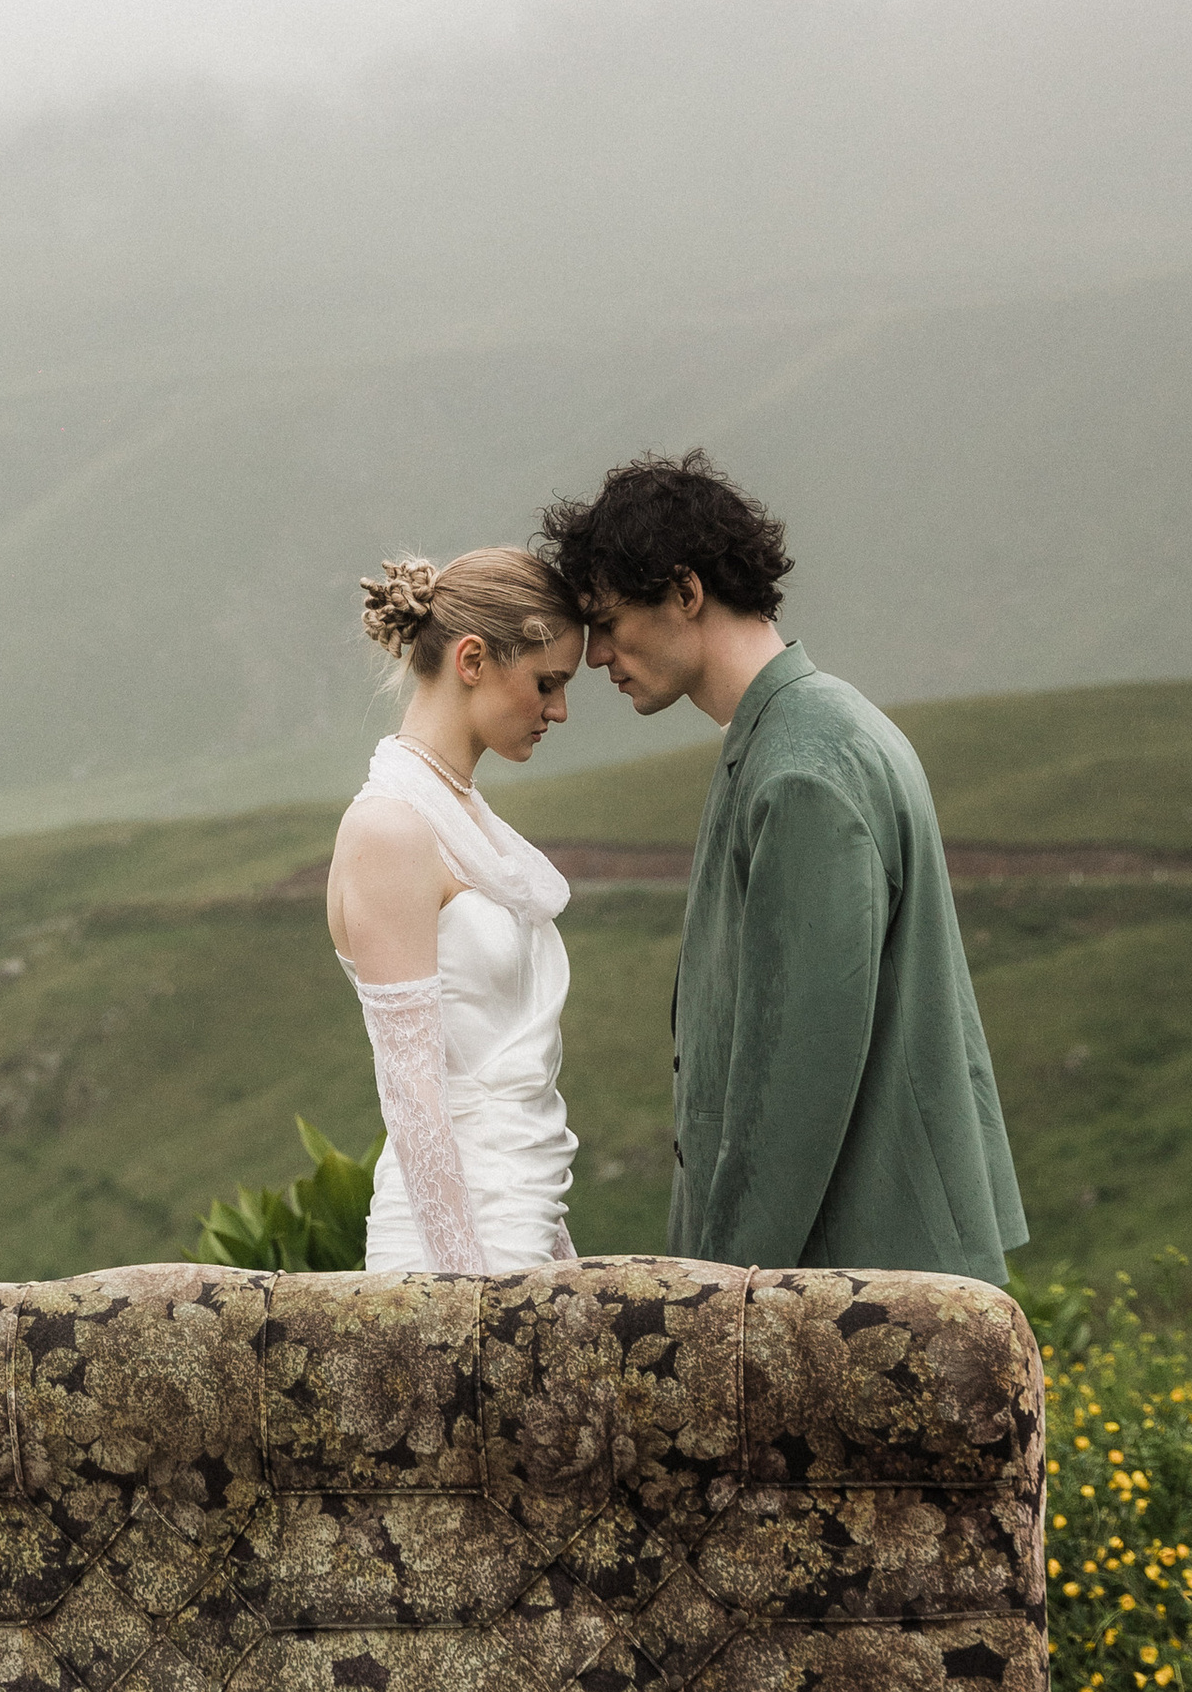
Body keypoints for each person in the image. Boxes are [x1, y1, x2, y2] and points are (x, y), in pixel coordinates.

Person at [538, 449, 1025, 1286]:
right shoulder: (805, 734)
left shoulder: (803, 769)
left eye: (609, 620)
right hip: (857, 1278)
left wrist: (707, 1308)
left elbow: (794, 1088)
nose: (595, 656)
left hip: (853, 1291)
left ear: (686, 592)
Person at [326, 549, 587, 1276]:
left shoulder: (466, 821)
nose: (559, 710)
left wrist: (559, 1259)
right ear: (472, 659)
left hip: (522, 1222)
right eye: (547, 683)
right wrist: (463, 1307)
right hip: (449, 1263)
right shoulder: (392, 829)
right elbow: (412, 1091)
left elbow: (514, 1078)